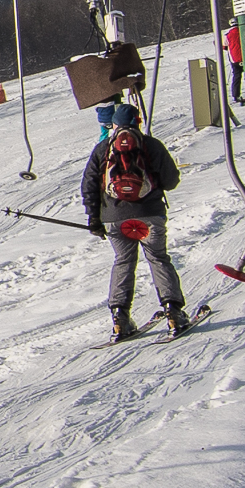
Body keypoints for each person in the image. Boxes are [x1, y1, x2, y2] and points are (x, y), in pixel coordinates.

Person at [83, 106, 189, 342]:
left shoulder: (102, 149)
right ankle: (173, 312)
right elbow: (171, 181)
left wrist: (94, 220)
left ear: (115, 124)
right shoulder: (152, 145)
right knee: (158, 258)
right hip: (149, 215)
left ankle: (120, 318)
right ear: (138, 122)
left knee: (123, 261)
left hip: (114, 219)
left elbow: (89, 186)